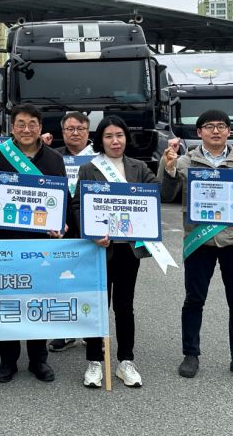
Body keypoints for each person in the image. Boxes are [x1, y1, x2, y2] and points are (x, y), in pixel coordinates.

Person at [159, 109, 233, 383]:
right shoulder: (185, 161)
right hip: (199, 241)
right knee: (194, 300)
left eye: (221, 126)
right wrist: (167, 166)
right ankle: (190, 354)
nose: (216, 130)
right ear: (199, 132)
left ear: (228, 131)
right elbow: (166, 194)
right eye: (210, 126)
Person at [0, 104, 67, 383]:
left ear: (40, 127)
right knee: (6, 300)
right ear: (12, 127)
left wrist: (61, 224)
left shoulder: (54, 159)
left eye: (32, 124)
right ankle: (7, 360)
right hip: (4, 238)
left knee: (37, 298)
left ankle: (38, 360)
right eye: (20, 124)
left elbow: (62, 198)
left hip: (40, 241)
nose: (26, 129)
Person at [71, 115, 159, 389]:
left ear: (126, 138)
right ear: (101, 140)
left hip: (128, 251)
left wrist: (167, 166)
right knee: (98, 305)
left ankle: (125, 361)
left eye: (119, 135)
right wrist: (92, 233)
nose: (115, 141)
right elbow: (76, 206)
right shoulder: (88, 168)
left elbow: (156, 196)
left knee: (124, 306)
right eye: (109, 136)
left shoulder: (139, 167)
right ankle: (95, 361)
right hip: (99, 250)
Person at [49, 111, 94, 353]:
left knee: (91, 281)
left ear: (88, 132)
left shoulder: (100, 158)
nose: (75, 133)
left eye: (80, 129)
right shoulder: (53, 156)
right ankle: (64, 331)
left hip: (91, 228)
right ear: (62, 132)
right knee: (62, 280)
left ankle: (90, 330)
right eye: (69, 129)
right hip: (62, 226)